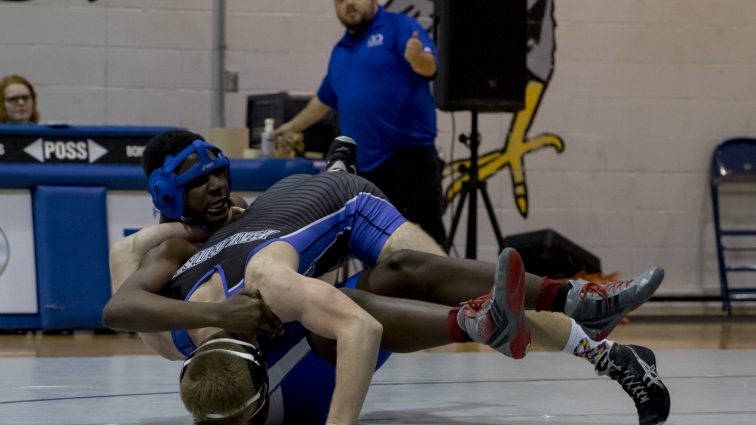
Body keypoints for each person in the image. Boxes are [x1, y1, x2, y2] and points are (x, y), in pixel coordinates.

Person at [105, 131, 669, 424]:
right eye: (202, 186)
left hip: (342, 246)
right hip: (310, 341)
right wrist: (211, 303)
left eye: (219, 179)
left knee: (403, 277)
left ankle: (591, 335)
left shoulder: (233, 242)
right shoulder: (170, 254)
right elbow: (121, 291)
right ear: (170, 199)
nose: (220, 192)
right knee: (346, 303)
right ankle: (602, 349)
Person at [274, 0, 446, 246]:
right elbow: (323, 101)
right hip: (365, 167)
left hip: (408, 160)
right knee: (376, 248)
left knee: (425, 245)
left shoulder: (399, 26)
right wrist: (290, 127)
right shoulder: (340, 51)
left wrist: (417, 57)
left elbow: (429, 67)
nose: (349, 4)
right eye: (341, 1)